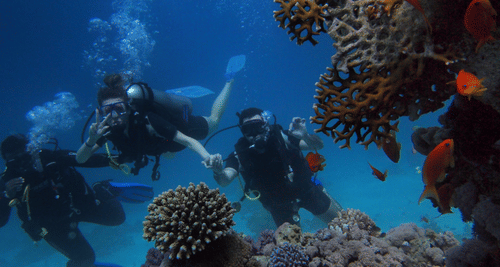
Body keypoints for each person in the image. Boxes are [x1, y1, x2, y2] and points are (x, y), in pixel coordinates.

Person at [0, 134, 152, 267]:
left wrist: (120, 158)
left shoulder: (49, 158)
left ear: (31, 150)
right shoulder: (6, 182)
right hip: (53, 226)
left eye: (24, 155)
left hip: (78, 206)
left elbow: (83, 159)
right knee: (85, 259)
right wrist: (6, 195)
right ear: (7, 161)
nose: (22, 162)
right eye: (15, 160)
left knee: (117, 218)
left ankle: (103, 188)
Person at [76, 73, 233, 178]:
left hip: (181, 127)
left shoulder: (149, 121)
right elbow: (80, 159)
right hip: (164, 146)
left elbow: (188, 141)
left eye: (119, 108)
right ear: (101, 112)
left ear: (128, 107)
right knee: (169, 154)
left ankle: (229, 80)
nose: (114, 115)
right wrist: (91, 140)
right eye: (107, 110)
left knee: (214, 121)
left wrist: (207, 157)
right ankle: (176, 100)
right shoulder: (105, 130)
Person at [210, 108, 343, 227]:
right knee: (292, 249)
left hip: (307, 191)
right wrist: (218, 171)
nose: (254, 133)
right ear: (242, 131)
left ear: (266, 125)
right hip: (278, 205)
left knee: (344, 224)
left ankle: (321, 189)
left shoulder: (283, 138)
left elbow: (318, 146)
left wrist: (305, 136)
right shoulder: (239, 154)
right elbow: (225, 180)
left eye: (258, 126)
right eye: (248, 129)